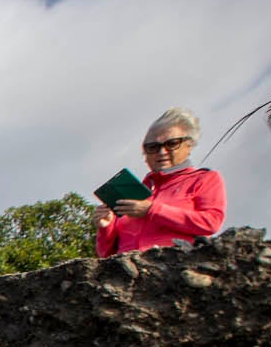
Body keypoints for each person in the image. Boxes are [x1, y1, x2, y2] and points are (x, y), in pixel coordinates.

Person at [95, 107, 227, 256]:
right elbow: (105, 253)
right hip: (126, 271)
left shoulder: (204, 178)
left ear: (189, 146)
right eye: (153, 147)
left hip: (173, 266)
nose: (162, 152)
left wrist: (152, 210)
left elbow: (211, 222)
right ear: (145, 154)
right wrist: (105, 227)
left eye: (171, 144)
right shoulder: (136, 190)